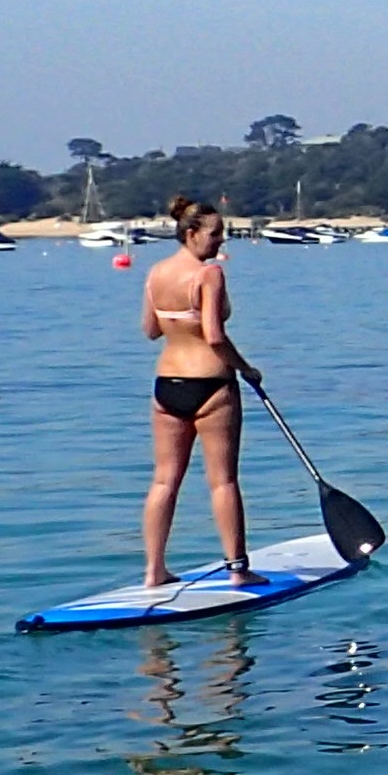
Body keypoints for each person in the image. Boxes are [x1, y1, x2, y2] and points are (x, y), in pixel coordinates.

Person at [141, 195, 262, 587]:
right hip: (211, 385)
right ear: (191, 234)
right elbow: (214, 335)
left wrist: (178, 320)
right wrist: (247, 368)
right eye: (215, 234)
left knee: (164, 480)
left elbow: (151, 330)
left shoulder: (156, 273)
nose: (221, 241)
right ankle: (238, 571)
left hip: (167, 386)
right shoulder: (208, 275)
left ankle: (154, 571)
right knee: (223, 481)